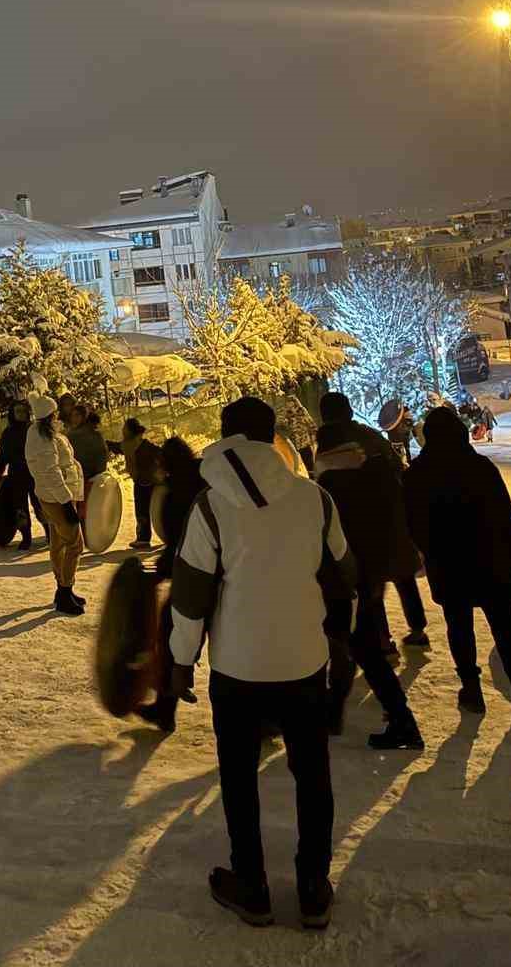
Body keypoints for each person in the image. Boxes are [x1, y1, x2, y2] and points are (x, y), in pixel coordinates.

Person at [169, 396, 354, 931]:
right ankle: (314, 887)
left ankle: (252, 885)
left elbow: (189, 596)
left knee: (239, 776)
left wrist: (182, 661)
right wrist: (337, 639)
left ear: (227, 437)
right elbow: (344, 576)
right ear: (273, 438)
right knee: (312, 773)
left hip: (238, 668)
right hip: (303, 662)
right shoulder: (313, 499)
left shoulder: (209, 507)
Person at [403, 406, 511, 716]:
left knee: (459, 626)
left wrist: (426, 553)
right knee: (505, 628)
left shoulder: (415, 476)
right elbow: (505, 516)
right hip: (491, 560)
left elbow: (413, 524)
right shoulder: (480, 468)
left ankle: (472, 690)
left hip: (448, 565)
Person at [313, 420, 425, 749]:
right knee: (357, 649)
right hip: (367, 576)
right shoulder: (372, 478)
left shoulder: (331, 488)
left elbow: (331, 544)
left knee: (350, 649)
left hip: (342, 582)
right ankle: (348, 714)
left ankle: (392, 720)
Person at [320, 393, 428, 653]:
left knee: (369, 589)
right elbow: (397, 470)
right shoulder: (370, 436)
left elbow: (327, 493)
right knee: (403, 576)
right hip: (389, 515)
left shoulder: (325, 445)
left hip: (355, 527)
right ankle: (418, 629)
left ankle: (383, 641)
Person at [135, 435, 205, 733]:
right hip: (229, 575)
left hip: (193, 578)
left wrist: (159, 573)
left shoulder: (177, 492)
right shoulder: (207, 478)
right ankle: (266, 719)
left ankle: (165, 709)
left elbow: (180, 541)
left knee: (170, 638)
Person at [25, 394, 85, 616]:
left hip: (54, 496)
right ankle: (64, 591)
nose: (58, 415)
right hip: (57, 498)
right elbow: (51, 473)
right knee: (75, 544)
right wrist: (66, 502)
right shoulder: (43, 439)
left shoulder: (44, 434)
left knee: (59, 543)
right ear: (49, 416)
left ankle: (64, 589)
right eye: (55, 413)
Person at [0, 400, 46, 551]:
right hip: (16, 476)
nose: (21, 414)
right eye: (18, 411)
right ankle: (26, 537)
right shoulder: (7, 434)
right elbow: (3, 455)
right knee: (19, 509)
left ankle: (50, 532)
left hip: (35, 474)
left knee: (40, 505)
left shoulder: (34, 430)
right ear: (12, 414)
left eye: (23, 411)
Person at [114, 418, 164, 549]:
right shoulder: (130, 444)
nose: (122, 430)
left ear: (130, 430)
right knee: (150, 510)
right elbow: (116, 447)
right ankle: (148, 537)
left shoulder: (142, 446)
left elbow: (160, 454)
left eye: (125, 428)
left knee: (143, 510)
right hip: (146, 481)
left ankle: (143, 539)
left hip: (147, 482)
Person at [67, 408, 111, 527]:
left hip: (89, 478)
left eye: (77, 415)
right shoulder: (69, 435)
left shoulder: (93, 434)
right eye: (73, 415)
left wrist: (97, 475)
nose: (74, 418)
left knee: (88, 509)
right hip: (77, 478)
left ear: (84, 417)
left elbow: (102, 454)